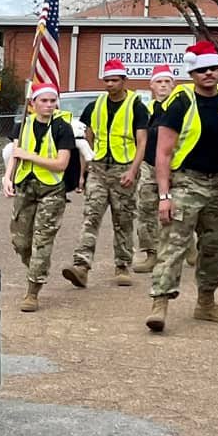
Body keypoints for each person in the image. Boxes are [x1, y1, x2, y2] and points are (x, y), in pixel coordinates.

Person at [146, 39, 218, 333]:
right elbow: (163, 153)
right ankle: (159, 305)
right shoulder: (181, 103)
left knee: (216, 245)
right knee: (173, 244)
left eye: (213, 68)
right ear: (192, 73)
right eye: (202, 69)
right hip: (186, 182)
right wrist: (164, 196)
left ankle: (206, 302)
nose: (208, 73)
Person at [61, 57, 147, 289]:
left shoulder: (136, 107)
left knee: (123, 220)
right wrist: (83, 173)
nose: (110, 84)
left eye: (115, 80)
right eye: (107, 80)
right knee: (91, 216)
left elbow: (142, 142)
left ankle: (122, 265)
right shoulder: (95, 106)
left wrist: (133, 170)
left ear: (124, 80)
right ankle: (81, 266)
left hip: (123, 169)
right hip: (98, 168)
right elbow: (87, 139)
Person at [2, 82, 73, 312]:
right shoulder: (23, 125)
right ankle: (37, 267)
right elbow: (15, 154)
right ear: (33, 104)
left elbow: (61, 163)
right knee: (21, 242)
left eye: (53, 101)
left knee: (42, 240)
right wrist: (7, 177)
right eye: (44, 101)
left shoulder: (62, 127)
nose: (49, 105)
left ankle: (32, 291)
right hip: (26, 187)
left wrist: (30, 156)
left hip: (51, 189)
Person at [131, 64, 179, 272]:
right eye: (159, 82)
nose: (163, 85)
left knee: (178, 211)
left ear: (173, 85)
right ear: (151, 85)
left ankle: (184, 248)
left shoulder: (179, 108)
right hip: (149, 166)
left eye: (167, 81)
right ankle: (152, 254)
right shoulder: (146, 110)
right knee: (145, 210)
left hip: (175, 167)